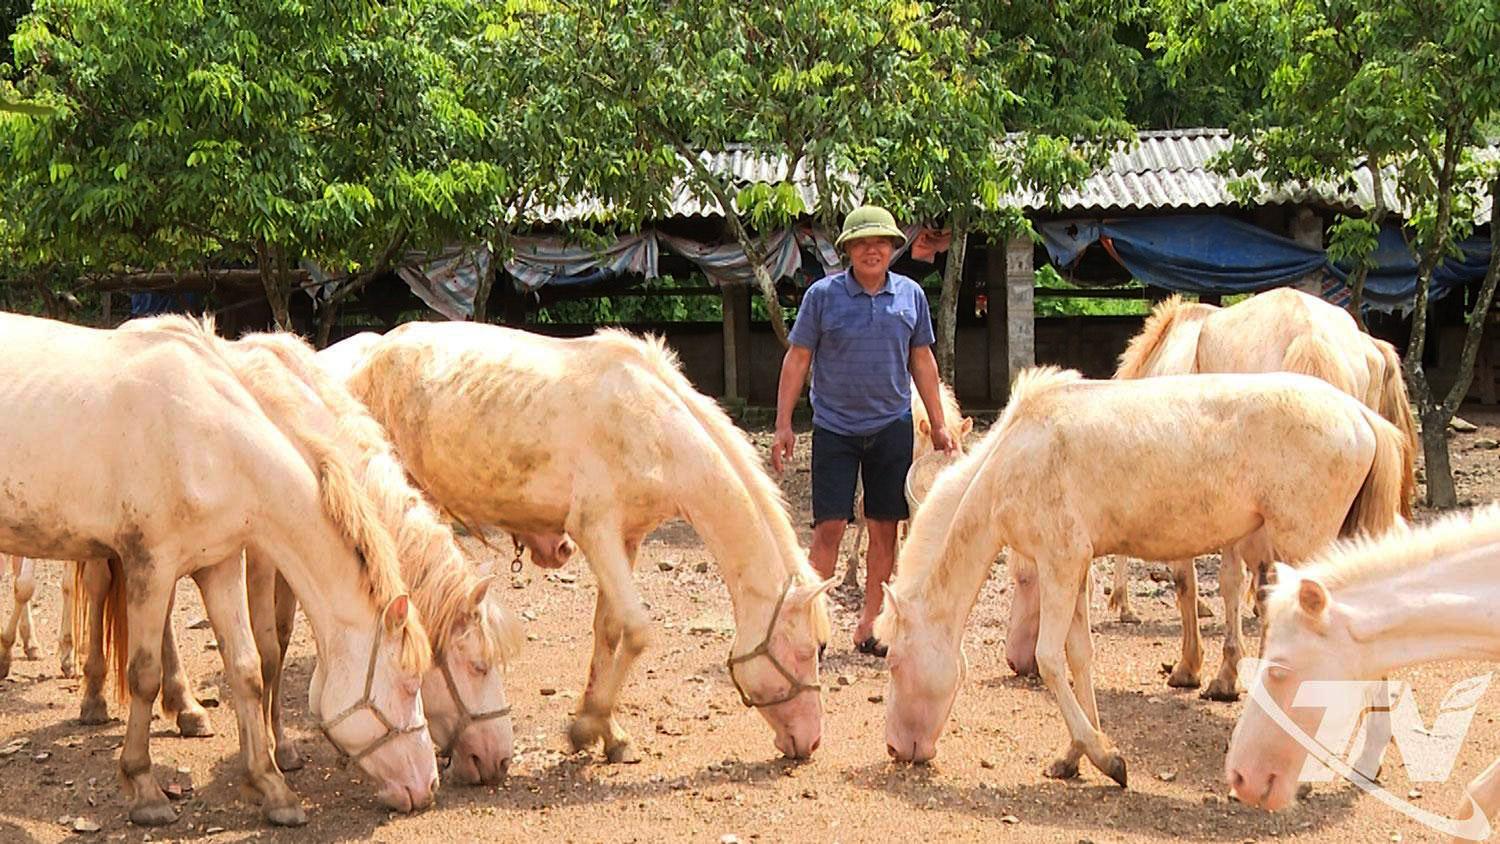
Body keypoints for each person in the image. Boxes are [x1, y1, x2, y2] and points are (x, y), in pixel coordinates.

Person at [770, 205, 956, 656]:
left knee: (884, 528)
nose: (872, 251)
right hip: (834, 428)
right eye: (862, 243)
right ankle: (811, 627)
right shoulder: (822, 296)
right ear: (848, 250)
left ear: (893, 249)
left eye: (881, 243)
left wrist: (939, 424)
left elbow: (922, 361)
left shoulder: (911, 295)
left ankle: (871, 625)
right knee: (829, 529)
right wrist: (782, 424)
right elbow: (798, 358)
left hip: (891, 426)